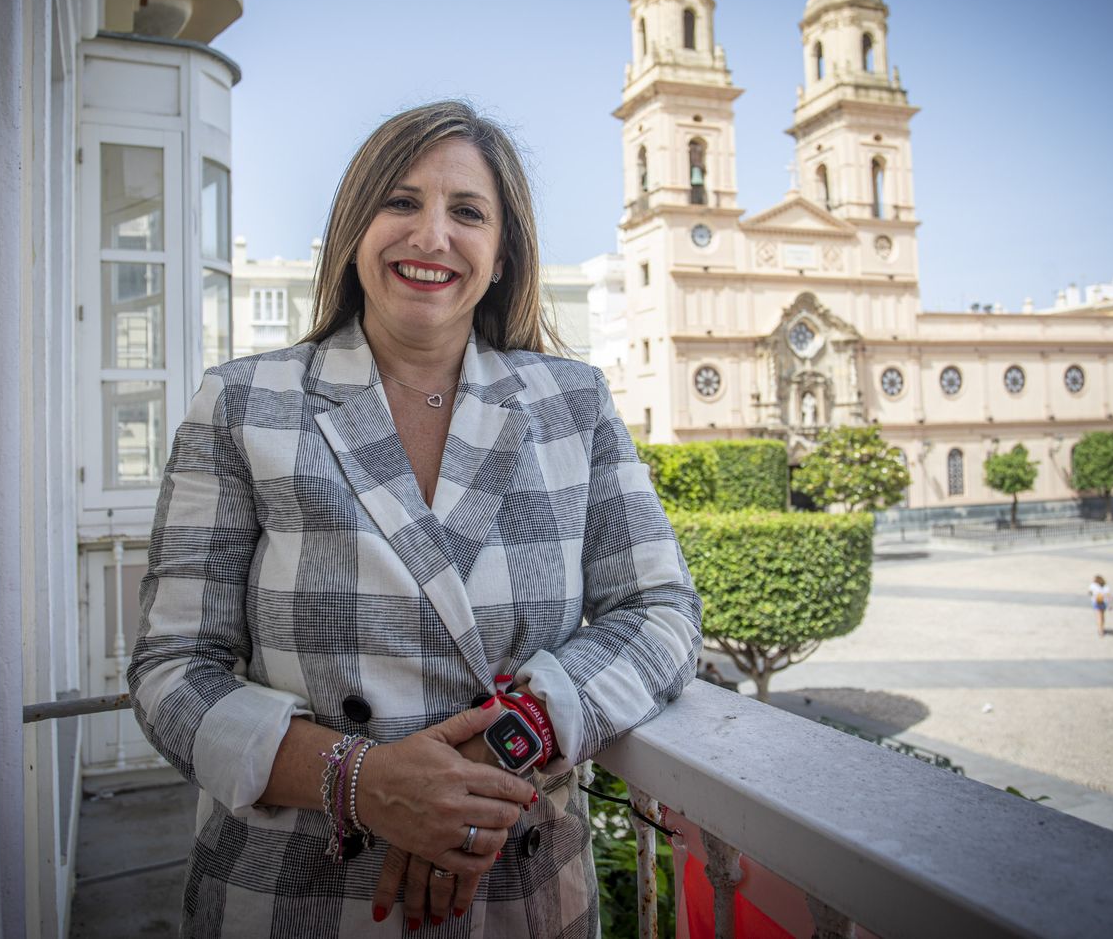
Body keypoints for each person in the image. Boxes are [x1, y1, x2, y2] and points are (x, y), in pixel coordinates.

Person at [126, 101, 703, 937]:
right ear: (355, 231)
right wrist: (364, 783)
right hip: (294, 894)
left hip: (519, 887)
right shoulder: (245, 402)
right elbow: (172, 670)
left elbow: (662, 613)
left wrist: (500, 747)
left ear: (503, 255)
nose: (431, 235)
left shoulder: (572, 405)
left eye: (467, 212)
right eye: (401, 202)